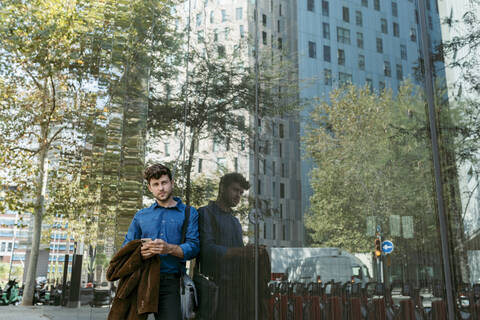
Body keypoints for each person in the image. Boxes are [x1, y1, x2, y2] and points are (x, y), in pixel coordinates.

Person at [123, 163, 199, 320]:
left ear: (172, 183)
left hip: (171, 283)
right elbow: (126, 250)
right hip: (142, 280)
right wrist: (140, 253)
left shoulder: (189, 213)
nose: (161, 188)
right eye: (155, 184)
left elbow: (194, 247)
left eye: (164, 182)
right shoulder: (141, 216)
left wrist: (168, 248)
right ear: (150, 188)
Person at [198, 173, 270, 320]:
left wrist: (253, 252)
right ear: (222, 188)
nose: (238, 195)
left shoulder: (235, 222)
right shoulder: (205, 213)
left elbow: (240, 255)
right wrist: (242, 252)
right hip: (214, 287)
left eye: (241, 193)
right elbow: (207, 249)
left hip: (237, 290)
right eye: (235, 190)